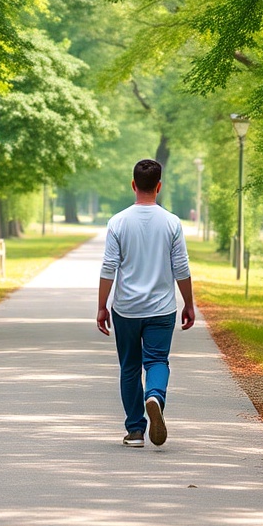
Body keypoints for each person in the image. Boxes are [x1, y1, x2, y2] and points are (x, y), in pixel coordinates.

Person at [96, 159, 195, 447]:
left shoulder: (118, 222)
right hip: (162, 308)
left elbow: (108, 268)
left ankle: (136, 430)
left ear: (133, 185)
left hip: (126, 309)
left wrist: (102, 306)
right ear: (159, 187)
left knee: (129, 367)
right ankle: (155, 396)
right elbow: (182, 268)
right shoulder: (172, 222)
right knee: (157, 361)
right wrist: (189, 304)